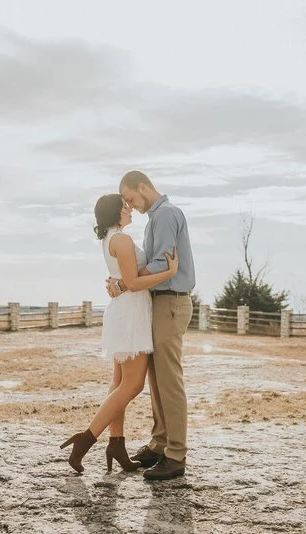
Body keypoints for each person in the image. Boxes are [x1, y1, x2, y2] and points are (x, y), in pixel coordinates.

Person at [60, 193, 178, 473]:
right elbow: (135, 283)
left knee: (118, 382)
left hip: (124, 310)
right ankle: (85, 440)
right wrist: (168, 271)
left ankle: (117, 442)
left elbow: (125, 280)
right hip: (131, 314)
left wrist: (121, 283)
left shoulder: (110, 238)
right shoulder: (121, 240)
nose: (130, 209)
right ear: (116, 212)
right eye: (125, 206)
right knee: (133, 385)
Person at [107, 170, 196, 481]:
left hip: (171, 301)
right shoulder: (156, 218)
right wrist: (129, 280)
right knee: (156, 379)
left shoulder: (167, 215)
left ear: (143, 186)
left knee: (169, 379)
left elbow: (164, 264)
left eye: (132, 198)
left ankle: (176, 454)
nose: (132, 205)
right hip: (159, 302)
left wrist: (127, 280)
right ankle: (159, 444)